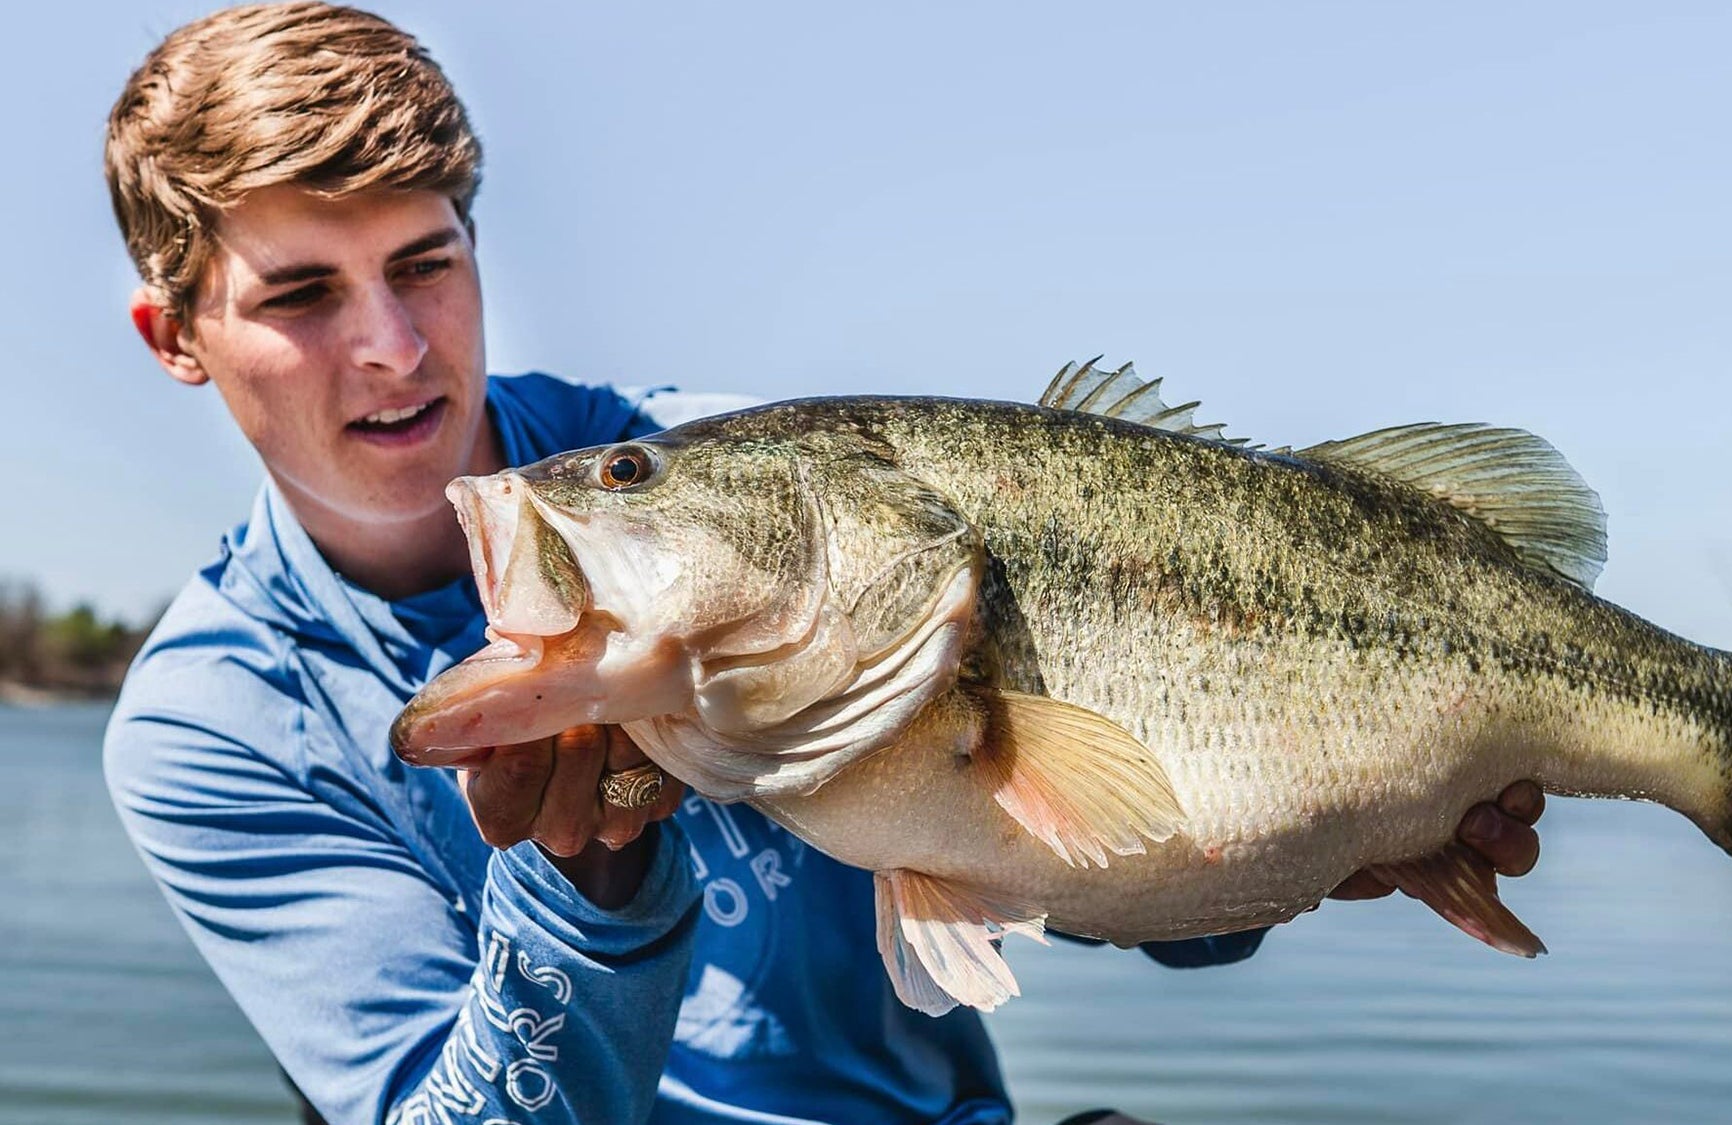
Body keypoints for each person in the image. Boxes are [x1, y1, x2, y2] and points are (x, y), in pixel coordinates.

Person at [99, 5, 1548, 1124]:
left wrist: (1289, 844)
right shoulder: (214, 724)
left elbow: (1095, 844)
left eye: (425, 262)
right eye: (301, 294)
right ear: (175, 339)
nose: (397, 350)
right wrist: (586, 889)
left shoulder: (739, 473)